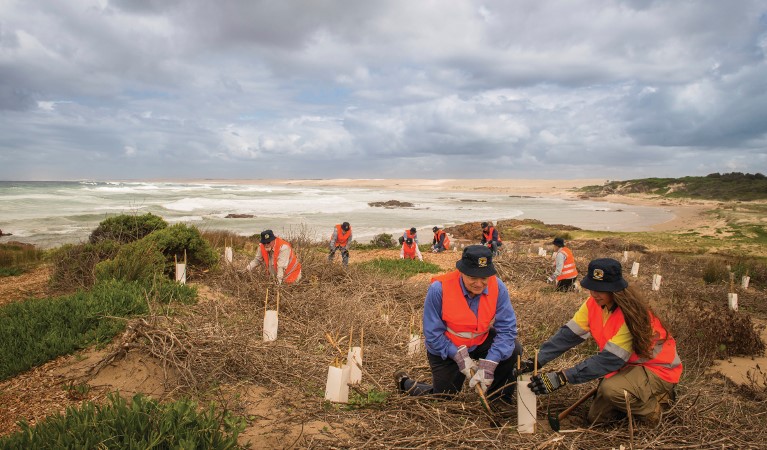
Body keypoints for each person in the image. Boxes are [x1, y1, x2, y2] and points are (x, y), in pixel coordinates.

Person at [522, 258, 682, 426]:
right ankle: (634, 398)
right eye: (592, 287)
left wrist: (562, 377)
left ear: (616, 290)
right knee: (598, 418)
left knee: (611, 390)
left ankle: (655, 408)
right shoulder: (593, 304)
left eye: (601, 289)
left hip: (658, 369)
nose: (595, 294)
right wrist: (537, 360)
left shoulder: (630, 314)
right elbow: (568, 335)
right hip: (627, 367)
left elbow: (610, 359)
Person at [395, 245, 524, 407]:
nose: (479, 283)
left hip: (479, 341)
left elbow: (507, 329)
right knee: (444, 399)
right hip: (447, 347)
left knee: (513, 349)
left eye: (484, 277)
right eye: (473, 277)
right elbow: (433, 334)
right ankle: (405, 383)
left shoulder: (497, 287)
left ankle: (498, 399)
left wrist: (490, 363)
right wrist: (458, 356)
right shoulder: (439, 289)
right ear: (462, 271)